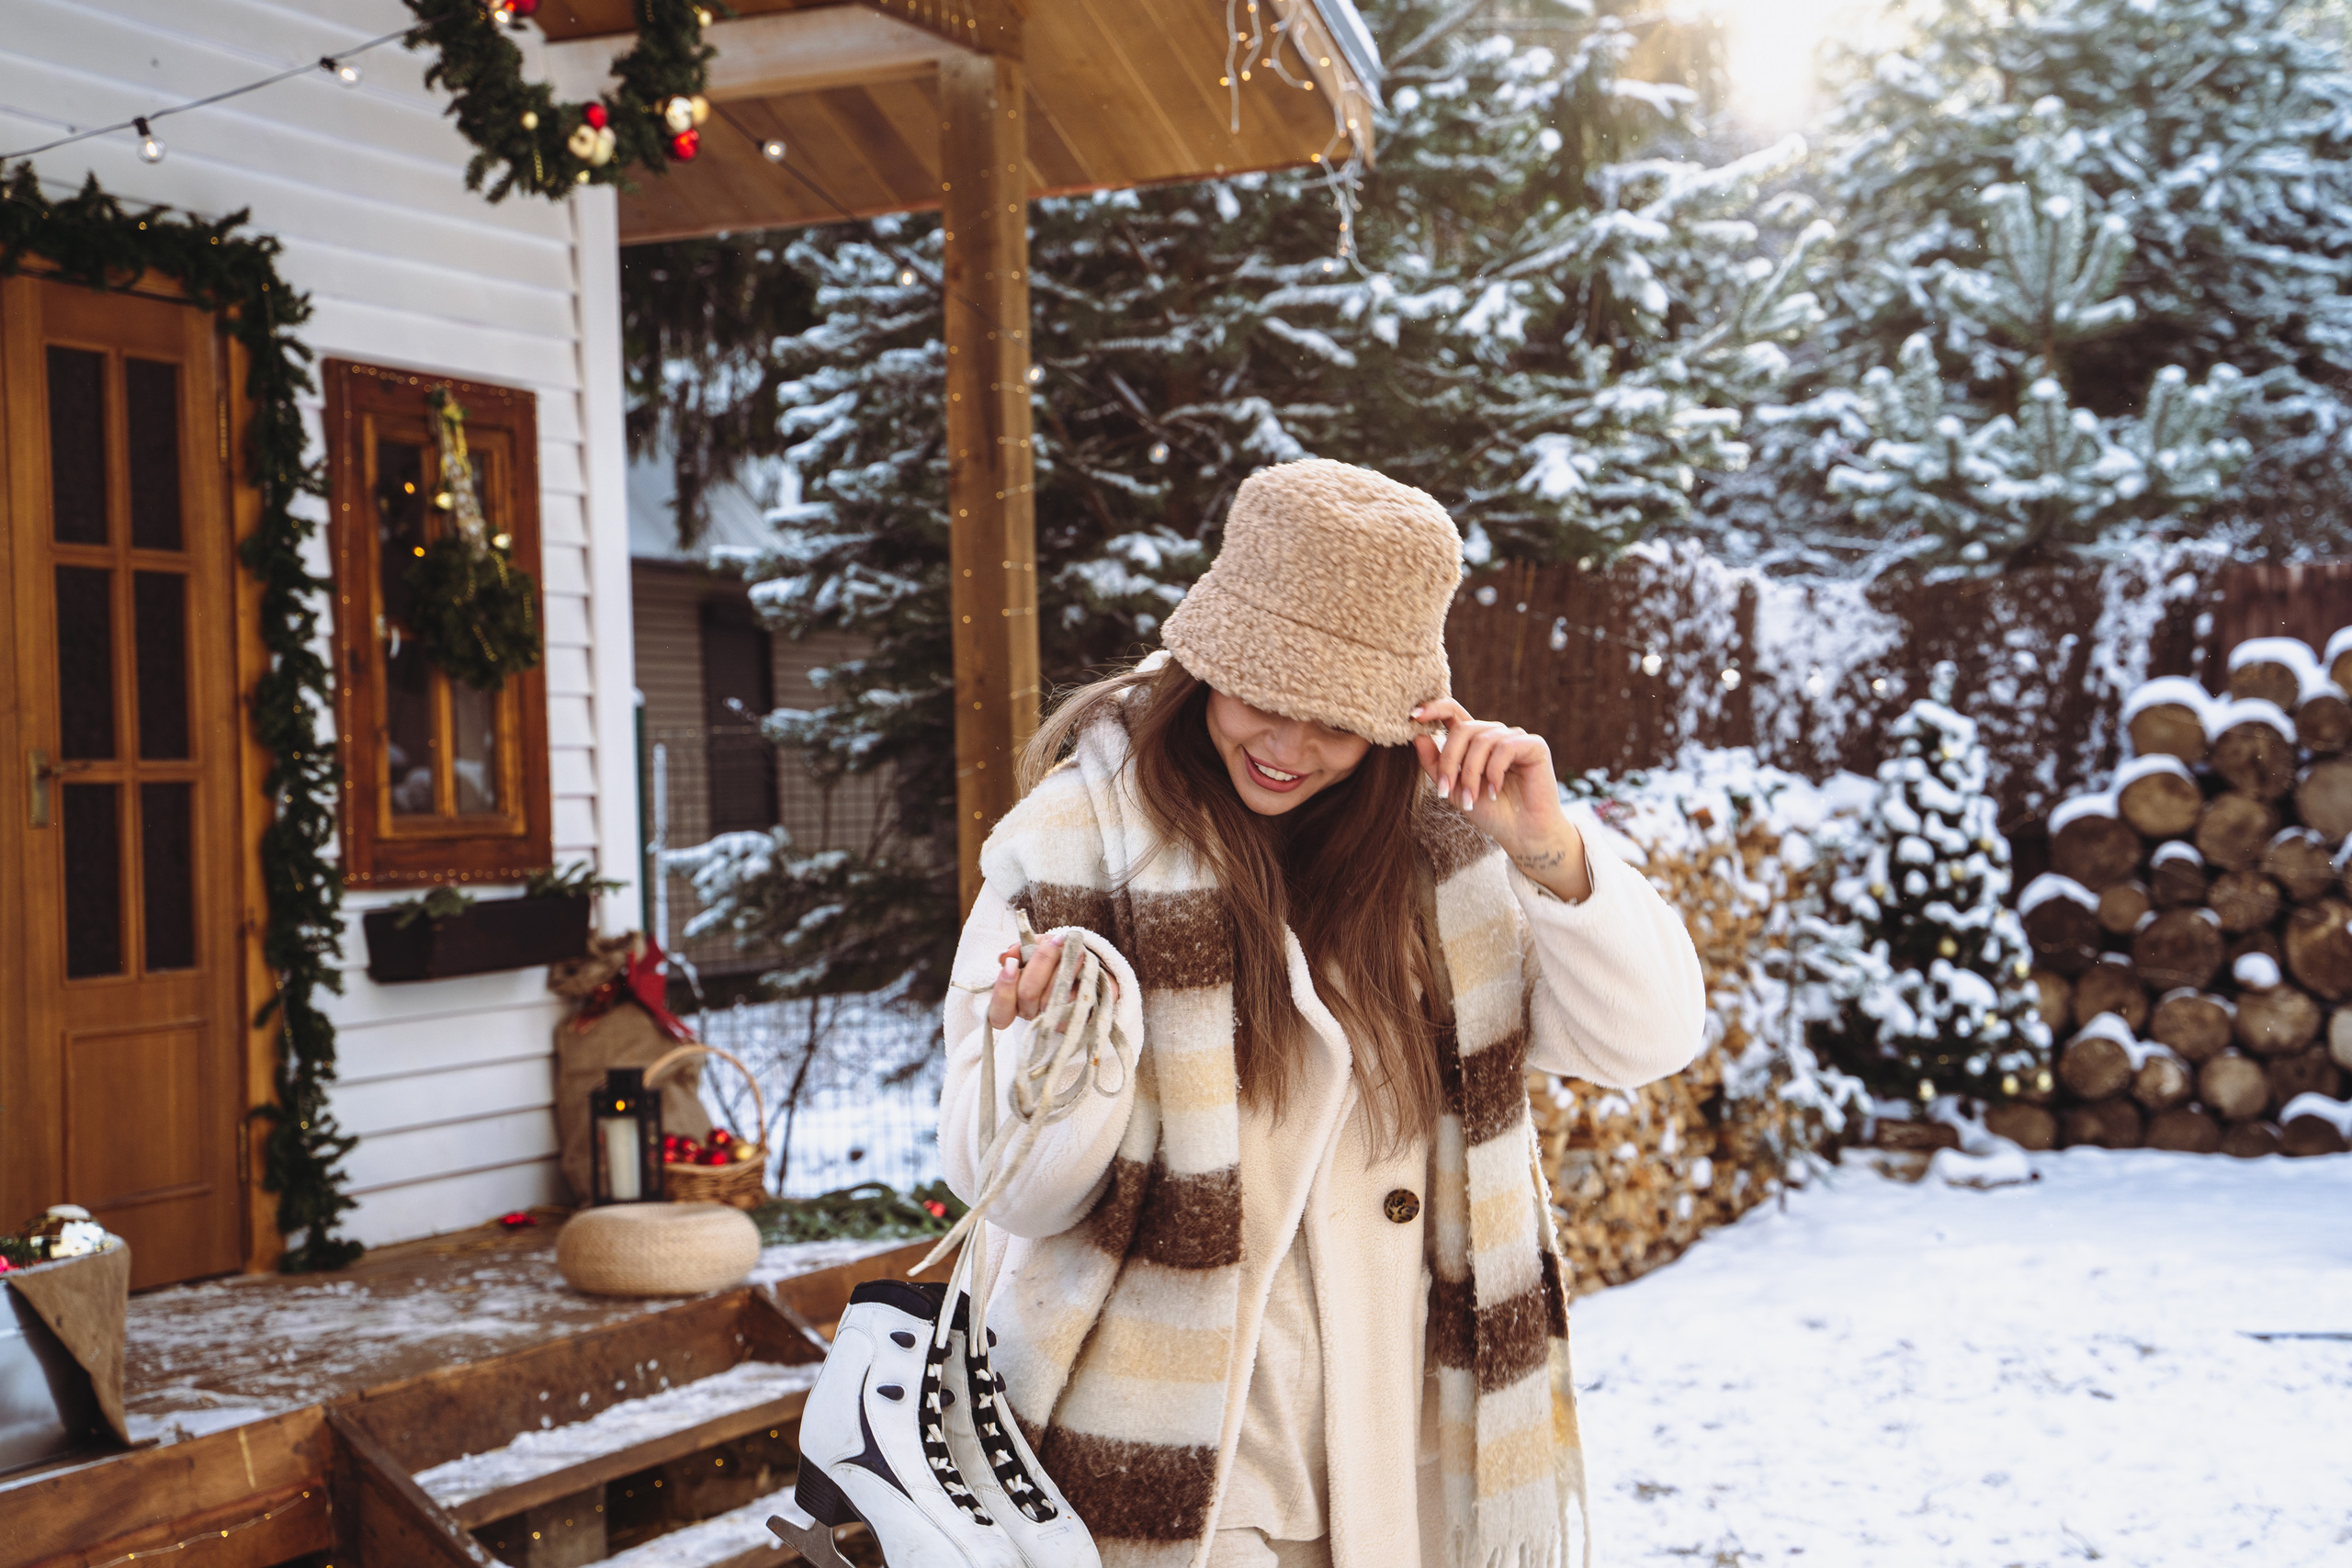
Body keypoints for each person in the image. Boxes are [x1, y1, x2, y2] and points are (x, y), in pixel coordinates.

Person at [940, 459, 1705, 1568]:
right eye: (1262, 695)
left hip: (1394, 1464)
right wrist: (1063, 1043)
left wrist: (1548, 850)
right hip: (1167, 1474)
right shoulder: (1064, 854)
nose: (1287, 746)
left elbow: (1648, 1042)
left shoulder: (1444, 866)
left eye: (1335, 720)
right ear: (1206, 665)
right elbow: (1007, 1189)